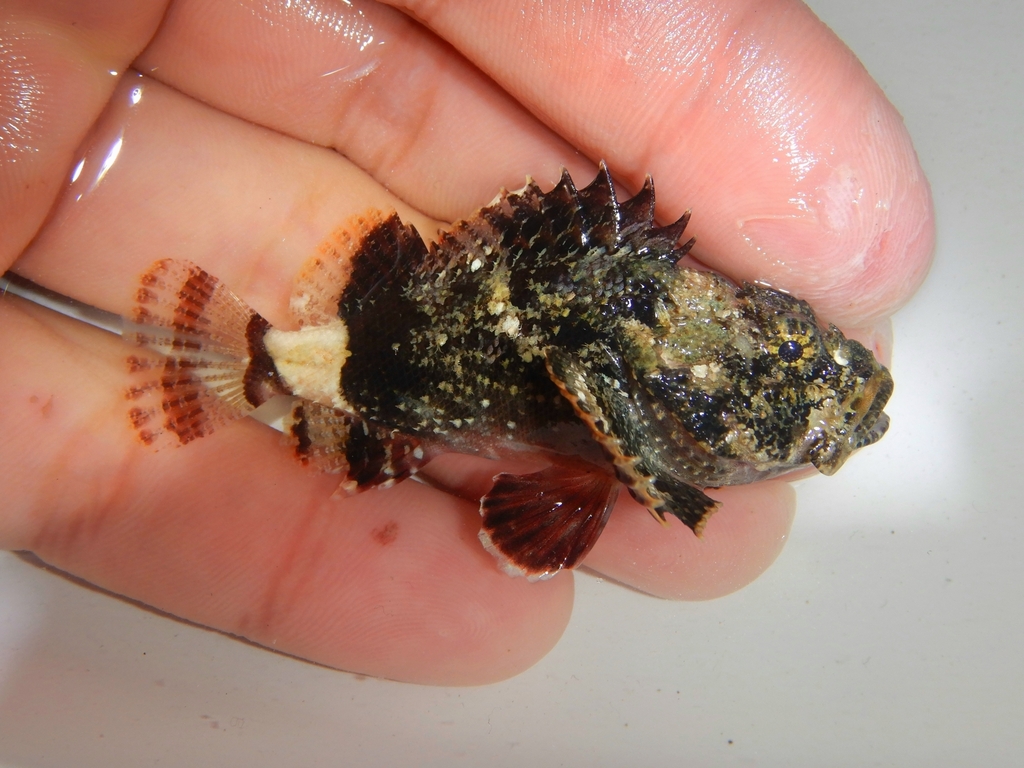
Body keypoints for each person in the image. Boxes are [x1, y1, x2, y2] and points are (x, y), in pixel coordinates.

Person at [0, 0, 933, 685]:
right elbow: (583, 369)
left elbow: (586, 388)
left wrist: (634, 472)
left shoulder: (665, 371)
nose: (841, 401)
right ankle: (263, 362)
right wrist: (649, 480)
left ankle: (270, 365)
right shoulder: (650, 397)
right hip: (382, 348)